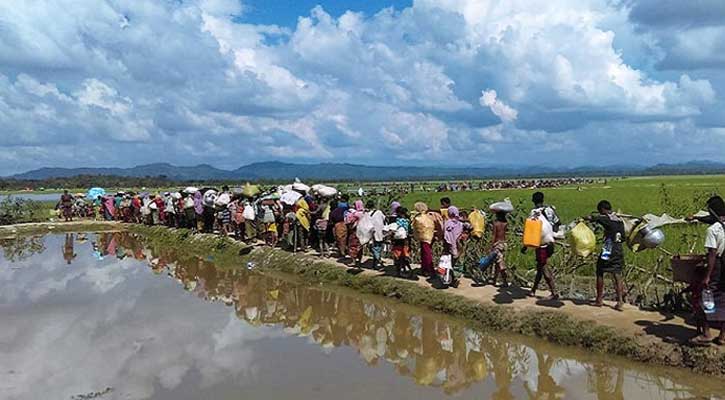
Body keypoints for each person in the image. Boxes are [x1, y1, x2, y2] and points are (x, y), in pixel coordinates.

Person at [690, 196, 725, 345]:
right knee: (724, 300)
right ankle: (723, 336)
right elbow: (711, 219)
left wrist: (707, 276)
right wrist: (697, 218)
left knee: (704, 297)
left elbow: (712, 253)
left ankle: (706, 333)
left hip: (717, 265)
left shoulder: (713, 230)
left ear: (712, 211)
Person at [584, 200, 625, 311]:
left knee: (600, 271)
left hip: (608, 247)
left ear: (602, 210)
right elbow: (624, 237)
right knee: (617, 274)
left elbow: (594, 218)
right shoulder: (620, 220)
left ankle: (599, 299)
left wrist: (586, 218)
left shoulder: (606, 218)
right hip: (618, 248)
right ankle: (620, 301)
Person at [524, 192, 559, 300]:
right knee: (540, 267)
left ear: (533, 200)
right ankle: (533, 290)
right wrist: (551, 234)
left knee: (543, 267)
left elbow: (530, 228)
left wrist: (525, 245)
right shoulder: (550, 210)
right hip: (550, 244)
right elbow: (557, 223)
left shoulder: (534, 212)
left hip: (541, 245)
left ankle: (554, 292)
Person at [412, 202, 435, 277]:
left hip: (423, 237)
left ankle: (429, 269)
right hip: (431, 236)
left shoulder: (418, 218)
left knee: (426, 254)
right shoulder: (429, 216)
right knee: (426, 253)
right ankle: (425, 269)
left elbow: (415, 228)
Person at [443, 205, 463, 286]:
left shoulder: (447, 223)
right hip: (458, 245)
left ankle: (448, 277)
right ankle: (455, 278)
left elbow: (445, 235)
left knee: (448, 262)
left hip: (449, 245)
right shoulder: (460, 224)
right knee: (457, 262)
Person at [365, 200, 386, 270]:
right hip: (381, 232)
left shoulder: (368, 215)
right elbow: (384, 218)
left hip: (373, 233)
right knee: (378, 247)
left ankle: (378, 261)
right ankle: (376, 262)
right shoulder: (379, 212)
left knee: (374, 248)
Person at [392, 207, 412, 277]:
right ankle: (408, 270)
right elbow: (410, 231)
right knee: (404, 256)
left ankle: (398, 271)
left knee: (398, 256)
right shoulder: (407, 220)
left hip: (397, 242)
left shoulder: (394, 220)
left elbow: (391, 230)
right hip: (406, 241)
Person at [491, 211, 509, 287]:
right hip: (503, 243)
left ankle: (505, 281)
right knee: (497, 263)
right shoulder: (505, 223)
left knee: (500, 263)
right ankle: (495, 280)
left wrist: (491, 245)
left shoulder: (496, 224)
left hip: (497, 244)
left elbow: (494, 235)